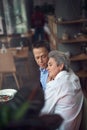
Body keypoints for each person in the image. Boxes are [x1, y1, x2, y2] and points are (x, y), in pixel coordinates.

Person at [41, 50, 84, 130]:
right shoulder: (74, 77)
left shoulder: (55, 85)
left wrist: (48, 84)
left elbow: (43, 112)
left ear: (60, 66)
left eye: (50, 65)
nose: (47, 68)